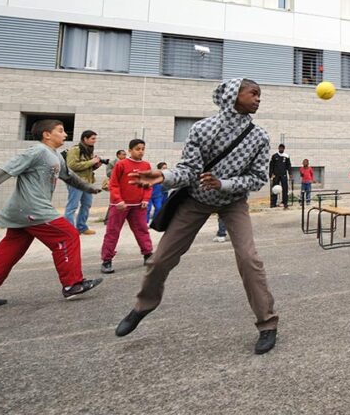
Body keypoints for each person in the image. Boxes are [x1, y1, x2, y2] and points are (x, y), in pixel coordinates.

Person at [114, 78, 279, 355]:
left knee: (250, 260)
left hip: (232, 202)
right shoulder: (202, 129)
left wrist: (223, 184)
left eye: (260, 94)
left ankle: (267, 324)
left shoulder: (259, 136)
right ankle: (142, 306)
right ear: (231, 95)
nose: (258, 98)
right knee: (159, 260)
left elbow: (258, 178)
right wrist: (163, 176)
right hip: (196, 200)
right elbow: (188, 170)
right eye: (253, 93)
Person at [0, 119, 103, 312]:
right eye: (61, 131)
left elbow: (69, 177)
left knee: (6, 256)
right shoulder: (36, 151)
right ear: (47, 134)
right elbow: (6, 169)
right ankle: (73, 284)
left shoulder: (56, 156)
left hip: (24, 213)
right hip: (33, 210)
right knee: (68, 235)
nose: (65, 135)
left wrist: (91, 188)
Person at [101, 139, 154, 274]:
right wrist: (118, 200)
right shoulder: (121, 165)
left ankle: (148, 255)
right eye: (137, 149)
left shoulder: (146, 165)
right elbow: (113, 184)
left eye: (143, 148)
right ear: (130, 150)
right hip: (119, 205)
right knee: (112, 232)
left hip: (138, 205)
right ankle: (106, 260)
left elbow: (148, 184)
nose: (141, 151)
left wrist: (146, 199)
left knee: (142, 230)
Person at [64, 129, 102, 235]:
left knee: (86, 204)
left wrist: (95, 165)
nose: (94, 141)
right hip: (76, 182)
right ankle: (70, 231)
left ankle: (82, 227)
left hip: (87, 183)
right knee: (72, 207)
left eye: (95, 139)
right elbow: (71, 166)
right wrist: (91, 162)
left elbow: (87, 168)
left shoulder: (88, 150)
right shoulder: (75, 150)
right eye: (92, 139)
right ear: (85, 139)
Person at [270, 144, 291, 209]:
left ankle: (285, 202)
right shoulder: (274, 156)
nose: (281, 149)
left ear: (284, 149)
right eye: (280, 148)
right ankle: (273, 203)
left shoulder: (286, 156)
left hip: (284, 175)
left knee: (285, 189)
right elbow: (271, 165)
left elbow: (288, 166)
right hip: (276, 175)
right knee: (274, 189)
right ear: (278, 148)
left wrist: (290, 174)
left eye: (282, 148)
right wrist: (271, 174)